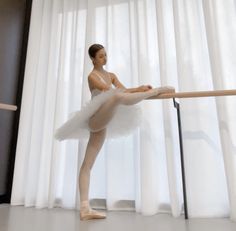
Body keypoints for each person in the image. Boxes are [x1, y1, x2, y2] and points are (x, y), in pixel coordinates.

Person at [54, 44, 175, 220]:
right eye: (101, 56)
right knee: (117, 98)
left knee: (87, 164)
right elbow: (111, 92)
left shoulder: (111, 75)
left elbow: (124, 90)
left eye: (106, 55)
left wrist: (139, 88)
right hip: (95, 119)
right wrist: (147, 92)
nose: (105, 58)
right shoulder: (92, 76)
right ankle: (157, 91)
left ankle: (85, 209)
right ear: (93, 59)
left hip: (103, 123)